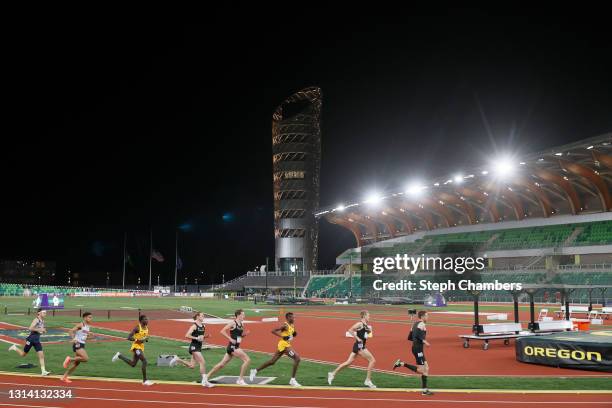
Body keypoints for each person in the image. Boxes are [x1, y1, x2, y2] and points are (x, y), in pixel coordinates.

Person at [249, 312, 301, 387]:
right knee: (297, 358)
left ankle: (254, 371)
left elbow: (290, 333)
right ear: (288, 318)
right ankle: (292, 380)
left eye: (294, 317)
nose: (294, 319)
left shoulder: (292, 325)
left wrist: (293, 334)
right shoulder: (285, 325)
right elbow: (273, 331)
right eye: (292, 317)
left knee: (272, 362)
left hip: (285, 345)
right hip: (284, 345)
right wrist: (282, 337)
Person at [328, 310, 376, 388]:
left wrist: (367, 331)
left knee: (348, 362)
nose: (369, 317)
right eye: (368, 315)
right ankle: (367, 380)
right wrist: (357, 338)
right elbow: (350, 330)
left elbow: (366, 333)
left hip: (358, 345)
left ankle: (332, 373)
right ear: (364, 316)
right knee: (372, 360)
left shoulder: (365, 325)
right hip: (359, 346)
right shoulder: (359, 323)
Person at [204, 309, 251, 386]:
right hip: (233, 347)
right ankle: (240, 380)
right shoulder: (233, 323)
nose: (244, 316)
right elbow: (222, 331)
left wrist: (244, 335)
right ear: (238, 315)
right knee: (247, 360)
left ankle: (206, 377)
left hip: (235, 346)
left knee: (221, 365)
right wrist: (230, 339)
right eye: (243, 314)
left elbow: (238, 335)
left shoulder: (242, 324)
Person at [393, 310, 433, 395]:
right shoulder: (422, 324)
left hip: (416, 348)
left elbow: (410, 337)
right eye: (427, 316)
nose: (428, 317)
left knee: (427, 369)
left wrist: (417, 340)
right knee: (422, 370)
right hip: (418, 349)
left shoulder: (414, 324)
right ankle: (402, 364)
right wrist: (424, 341)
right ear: (422, 317)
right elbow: (418, 335)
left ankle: (424, 390)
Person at [169, 311, 214, 387]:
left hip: (198, 347)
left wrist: (206, 336)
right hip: (194, 346)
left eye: (203, 316)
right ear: (198, 317)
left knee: (192, 366)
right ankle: (204, 381)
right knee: (202, 362)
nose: (203, 317)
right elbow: (187, 335)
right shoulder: (194, 326)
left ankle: (177, 359)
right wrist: (196, 338)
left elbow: (200, 337)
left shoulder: (203, 326)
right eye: (202, 316)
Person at [112, 314, 154, 386]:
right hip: (136, 347)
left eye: (147, 319)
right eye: (145, 319)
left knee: (133, 364)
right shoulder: (137, 328)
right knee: (144, 361)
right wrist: (138, 340)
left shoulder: (146, 328)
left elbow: (144, 338)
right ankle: (145, 381)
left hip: (141, 347)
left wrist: (145, 339)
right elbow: (129, 337)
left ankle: (119, 355)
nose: (147, 320)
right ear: (141, 321)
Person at [8, 309, 50, 376]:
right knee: (23, 354)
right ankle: (14, 347)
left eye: (45, 313)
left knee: (41, 355)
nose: (45, 314)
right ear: (39, 313)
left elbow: (40, 330)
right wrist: (40, 329)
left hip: (36, 340)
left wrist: (43, 331)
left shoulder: (43, 321)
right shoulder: (36, 320)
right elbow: (30, 328)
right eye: (44, 312)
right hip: (30, 340)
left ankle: (43, 371)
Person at [61, 312, 93, 383]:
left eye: (91, 317)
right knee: (85, 358)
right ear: (85, 318)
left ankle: (64, 377)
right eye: (89, 317)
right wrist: (73, 338)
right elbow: (70, 331)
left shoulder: (88, 326)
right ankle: (69, 359)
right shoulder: (81, 325)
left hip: (82, 343)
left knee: (76, 364)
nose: (91, 319)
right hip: (78, 344)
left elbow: (84, 337)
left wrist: (89, 336)